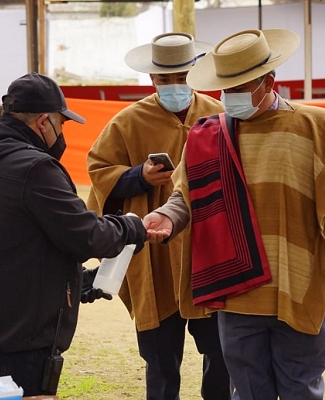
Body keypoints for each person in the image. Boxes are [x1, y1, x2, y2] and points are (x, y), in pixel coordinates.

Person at [143, 29, 325, 400]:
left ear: (269, 81)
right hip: (237, 289)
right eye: (225, 88)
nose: (230, 96)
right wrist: (168, 216)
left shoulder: (316, 125)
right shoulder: (207, 134)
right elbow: (187, 193)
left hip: (300, 281)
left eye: (240, 87)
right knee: (248, 389)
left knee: (301, 387)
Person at [0, 73, 147, 399]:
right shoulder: (34, 169)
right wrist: (132, 226)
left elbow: (7, 249)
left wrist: (78, 283)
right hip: (15, 345)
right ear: (44, 122)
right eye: (61, 124)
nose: (62, 133)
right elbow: (88, 237)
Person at [86, 32, 231, 400]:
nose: (174, 86)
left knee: (221, 352)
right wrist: (138, 176)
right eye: (165, 79)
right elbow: (99, 169)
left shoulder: (220, 114)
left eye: (181, 77)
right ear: (152, 79)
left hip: (208, 249)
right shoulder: (128, 121)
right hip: (154, 252)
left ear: (194, 72)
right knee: (161, 360)